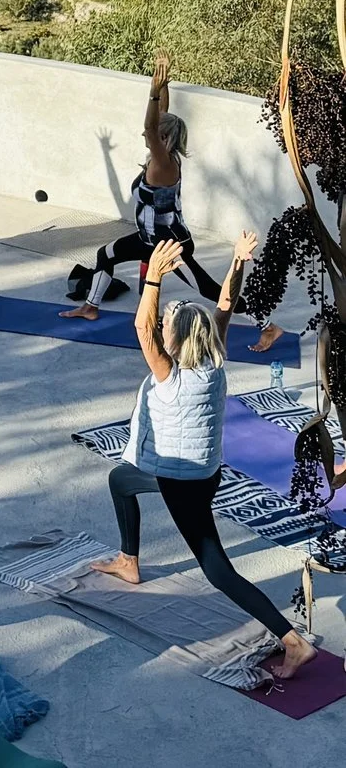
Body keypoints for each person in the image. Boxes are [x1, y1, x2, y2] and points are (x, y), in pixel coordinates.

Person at [88, 233, 318, 679]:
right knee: (121, 481)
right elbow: (226, 306)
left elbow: (140, 327)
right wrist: (236, 262)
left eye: (169, 323)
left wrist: (153, 278)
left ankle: (292, 642)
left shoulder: (170, 375)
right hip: (199, 472)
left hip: (182, 482)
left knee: (216, 569)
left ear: (175, 340)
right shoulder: (214, 362)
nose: (162, 326)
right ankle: (128, 561)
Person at [61, 55, 222, 319]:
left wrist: (152, 93)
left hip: (170, 245)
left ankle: (265, 325)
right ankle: (90, 307)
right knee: (106, 255)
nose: (144, 135)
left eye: (151, 133)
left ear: (163, 137)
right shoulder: (159, 158)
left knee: (207, 288)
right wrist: (162, 84)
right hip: (148, 240)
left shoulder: (164, 164)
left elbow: (150, 124)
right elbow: (158, 119)